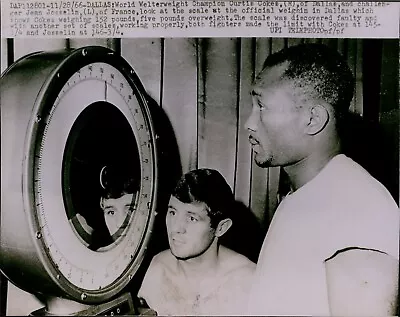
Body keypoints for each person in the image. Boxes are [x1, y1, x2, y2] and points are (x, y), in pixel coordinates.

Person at [244, 43, 399, 316]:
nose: (250, 122)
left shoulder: (357, 206)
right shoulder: (304, 195)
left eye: (262, 106)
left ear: (313, 119)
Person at [138, 168, 255, 315]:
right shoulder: (159, 267)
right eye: (172, 212)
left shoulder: (245, 279)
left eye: (191, 218)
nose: (176, 228)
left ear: (221, 228)